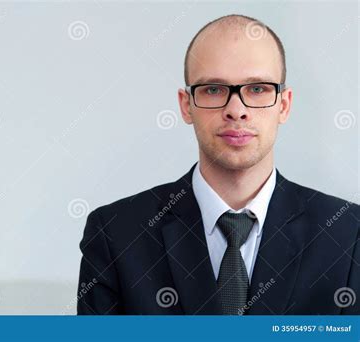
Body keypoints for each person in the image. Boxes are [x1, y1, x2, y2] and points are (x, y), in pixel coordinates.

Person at [77, 14, 359, 315]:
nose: (236, 110)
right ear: (187, 106)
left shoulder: (348, 234)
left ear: (284, 104)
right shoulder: (117, 234)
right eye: (213, 89)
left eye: (257, 89)